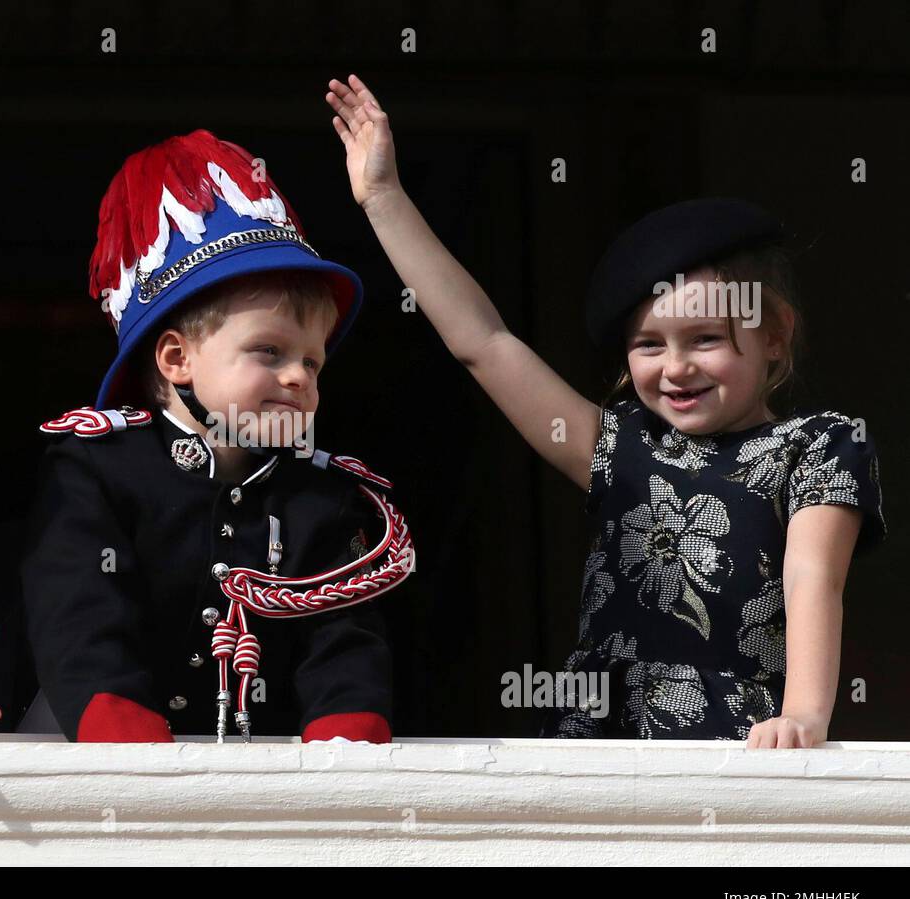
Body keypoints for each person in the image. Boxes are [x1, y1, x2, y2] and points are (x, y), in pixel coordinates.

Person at [326, 75, 884, 746]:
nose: (675, 367)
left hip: (743, 743)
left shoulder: (819, 446)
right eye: (649, 345)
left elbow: (812, 576)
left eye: (705, 339)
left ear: (774, 334)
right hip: (598, 742)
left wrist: (801, 719)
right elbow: (485, 343)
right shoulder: (618, 446)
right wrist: (383, 197)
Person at [22, 129, 415, 744]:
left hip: (265, 768)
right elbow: (77, 610)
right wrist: (117, 723)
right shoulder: (95, 468)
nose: (298, 377)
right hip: (91, 758)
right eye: (269, 351)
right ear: (177, 359)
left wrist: (346, 731)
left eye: (312, 362)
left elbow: (342, 635)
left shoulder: (323, 495)